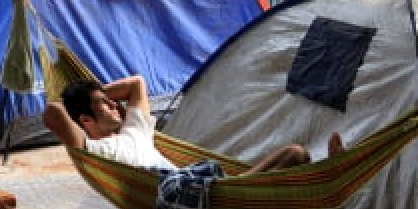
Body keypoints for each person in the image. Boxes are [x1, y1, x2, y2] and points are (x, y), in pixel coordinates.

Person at [43, 75, 345, 174]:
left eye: (112, 101)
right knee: (292, 154)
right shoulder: (96, 149)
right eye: (106, 105)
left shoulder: (135, 127)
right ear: (84, 120)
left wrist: (97, 95)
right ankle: (329, 172)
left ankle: (324, 173)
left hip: (198, 184)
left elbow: (137, 83)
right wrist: (86, 99)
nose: (115, 105)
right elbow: (53, 112)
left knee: (298, 156)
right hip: (188, 194)